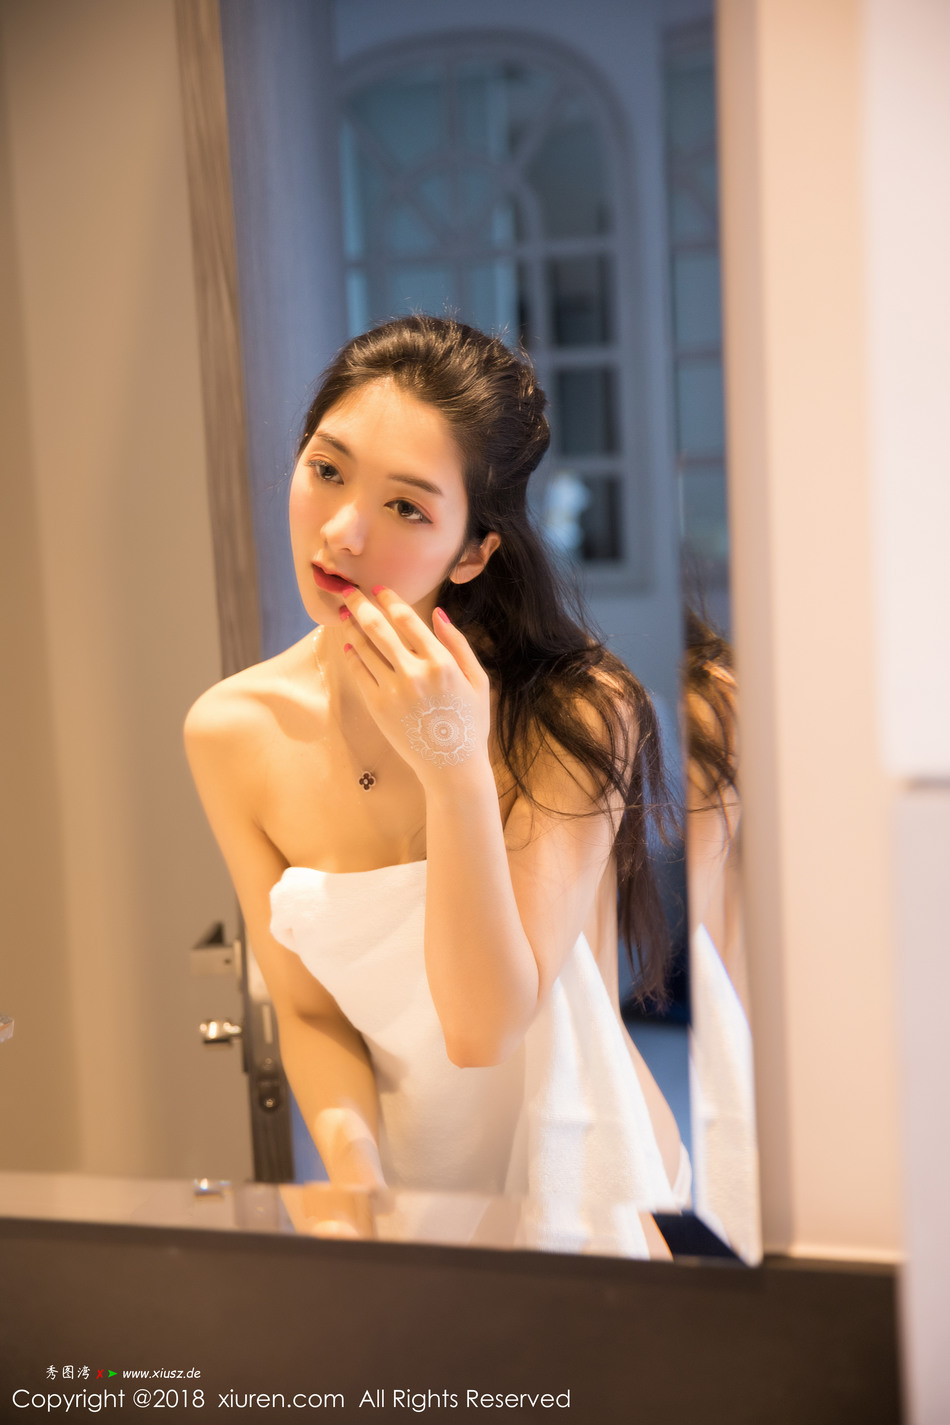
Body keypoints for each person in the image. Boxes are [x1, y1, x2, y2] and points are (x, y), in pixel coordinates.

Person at [185, 316, 688, 1257]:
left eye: (407, 507)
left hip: (588, 1182)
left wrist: (453, 763)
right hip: (416, 1198)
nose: (341, 531)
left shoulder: (575, 711)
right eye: (326, 469)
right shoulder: (231, 731)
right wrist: (357, 1178)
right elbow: (307, 1008)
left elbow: (482, 1028)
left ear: (472, 552)